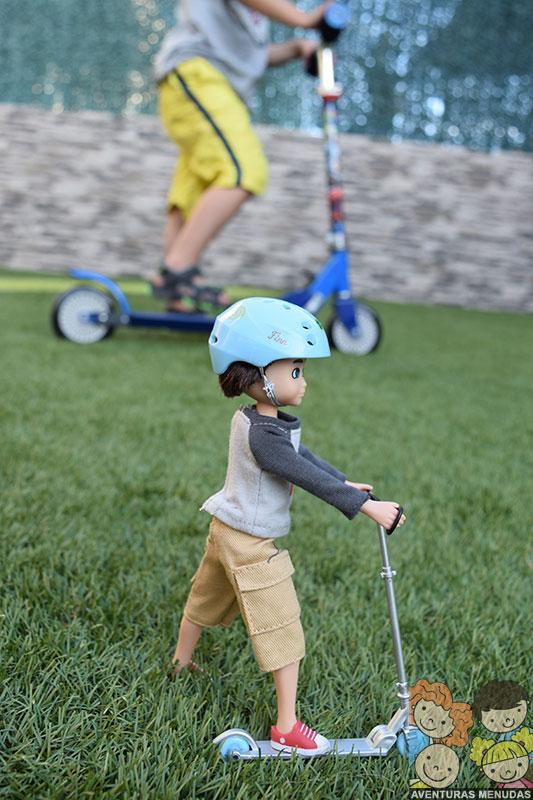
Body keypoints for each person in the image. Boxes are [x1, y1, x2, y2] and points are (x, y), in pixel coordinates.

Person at [171, 297, 406, 756]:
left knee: (205, 597)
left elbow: (303, 458)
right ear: (259, 376)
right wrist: (365, 507)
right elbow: (300, 472)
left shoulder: (258, 420)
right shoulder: (264, 436)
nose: (304, 380)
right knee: (282, 627)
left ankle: (180, 662)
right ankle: (286, 726)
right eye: (295, 371)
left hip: (226, 529)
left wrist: (344, 481)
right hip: (250, 544)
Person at [152, 0, 329, 313]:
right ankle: (178, 269)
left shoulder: (254, 17)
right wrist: (306, 19)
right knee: (244, 170)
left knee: (195, 188)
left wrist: (296, 48)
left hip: (205, 82)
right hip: (197, 73)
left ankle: (178, 291)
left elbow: (249, 56)